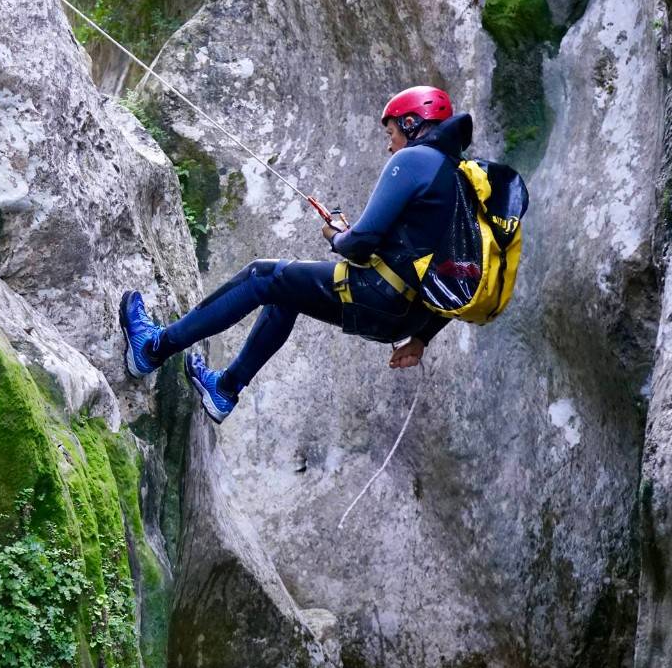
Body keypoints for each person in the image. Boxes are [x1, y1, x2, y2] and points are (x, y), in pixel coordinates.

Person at [118, 86, 471, 423]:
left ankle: (151, 349)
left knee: (263, 276)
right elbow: (465, 276)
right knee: (287, 291)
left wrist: (337, 236)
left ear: (412, 125)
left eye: (391, 133)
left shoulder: (414, 160)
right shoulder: (460, 180)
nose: (390, 146)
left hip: (377, 294)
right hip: (408, 317)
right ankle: (224, 389)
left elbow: (361, 243)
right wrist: (422, 337)